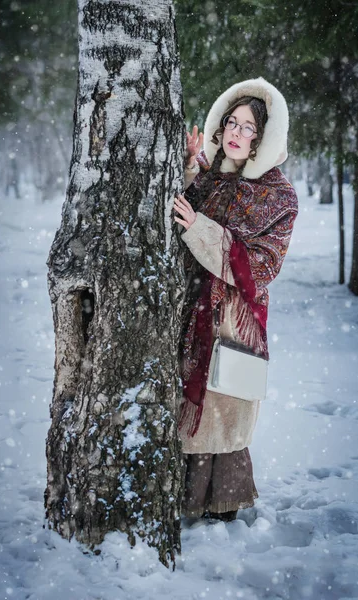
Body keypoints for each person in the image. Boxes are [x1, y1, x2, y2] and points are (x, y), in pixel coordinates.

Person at [173, 77, 298, 522]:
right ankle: (185, 498)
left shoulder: (278, 195)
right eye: (232, 122)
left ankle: (219, 506)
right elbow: (188, 207)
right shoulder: (211, 177)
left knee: (225, 405)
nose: (236, 133)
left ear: (264, 138)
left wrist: (201, 230)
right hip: (191, 309)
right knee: (192, 406)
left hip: (233, 320)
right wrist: (188, 167)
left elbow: (261, 267)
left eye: (249, 128)